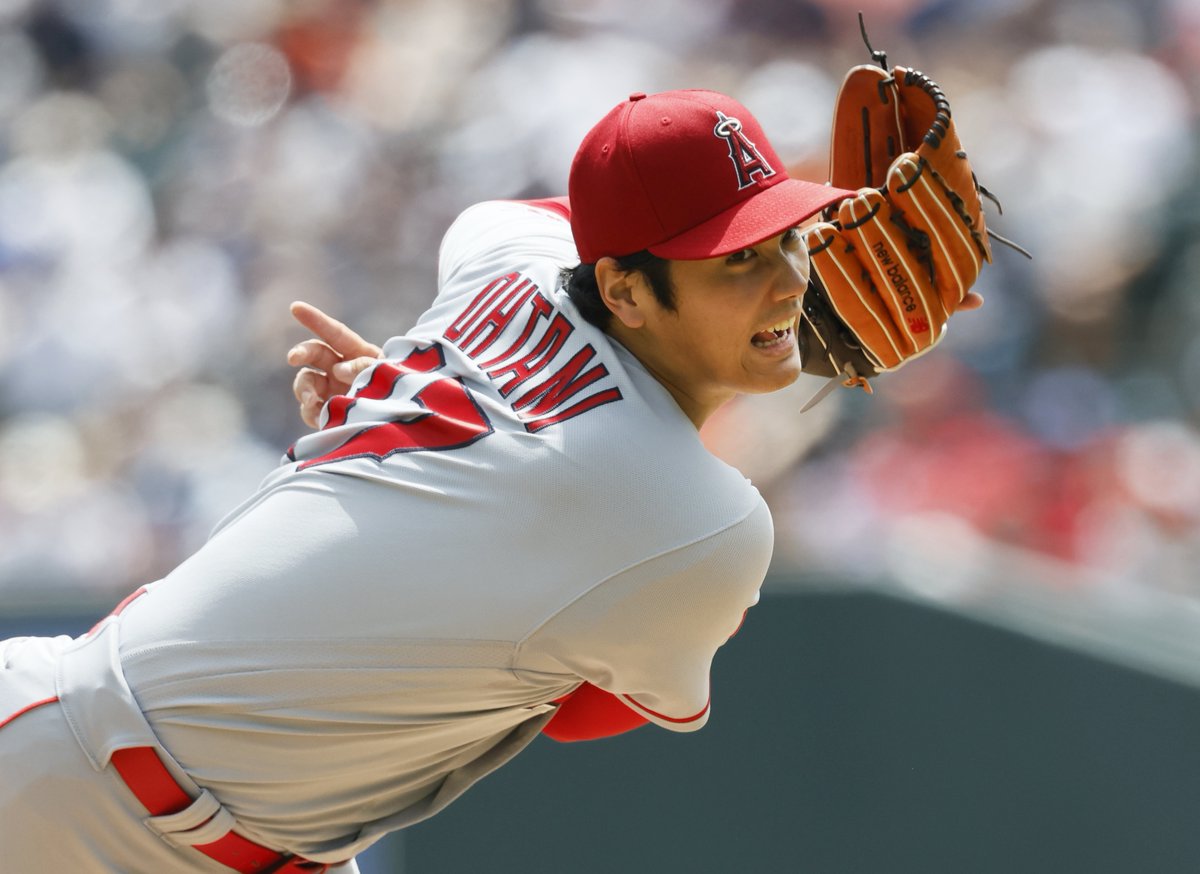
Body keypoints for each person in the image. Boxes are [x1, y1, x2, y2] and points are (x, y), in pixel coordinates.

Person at [0, 88, 864, 872]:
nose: (794, 278)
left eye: (786, 236)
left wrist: (435, 412)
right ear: (624, 291)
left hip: (197, 813)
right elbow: (578, 711)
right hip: (77, 803)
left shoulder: (514, 259)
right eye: (737, 260)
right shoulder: (687, 518)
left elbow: (526, 217)